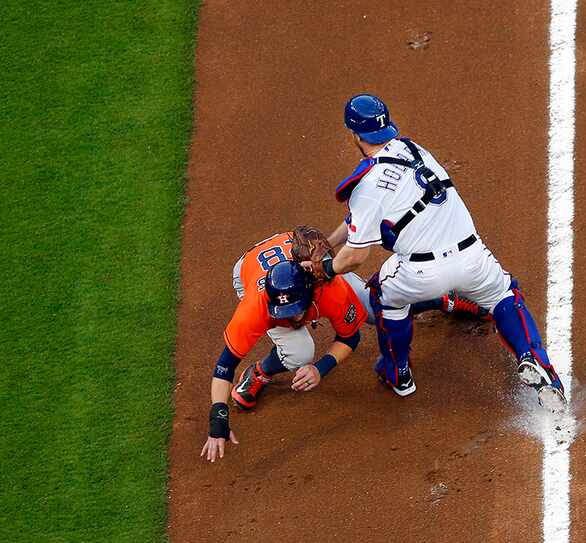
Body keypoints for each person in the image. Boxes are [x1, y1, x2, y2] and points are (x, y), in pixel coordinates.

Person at [304, 94, 566, 410]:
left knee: (382, 296)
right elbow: (361, 219)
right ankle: (538, 365)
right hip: (473, 258)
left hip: (421, 274)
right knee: (505, 296)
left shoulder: (367, 185)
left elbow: (356, 255)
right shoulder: (414, 150)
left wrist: (326, 268)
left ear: (355, 134)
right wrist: (330, 242)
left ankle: (397, 374)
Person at [201, 228, 486, 462]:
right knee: (300, 352)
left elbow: (351, 337)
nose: (294, 318)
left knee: (376, 310)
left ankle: (444, 299)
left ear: (312, 290)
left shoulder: (330, 288)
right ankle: (260, 372)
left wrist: (321, 370)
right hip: (249, 270)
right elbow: (224, 366)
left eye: (298, 310)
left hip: (300, 263)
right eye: (285, 314)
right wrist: (218, 418)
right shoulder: (257, 306)